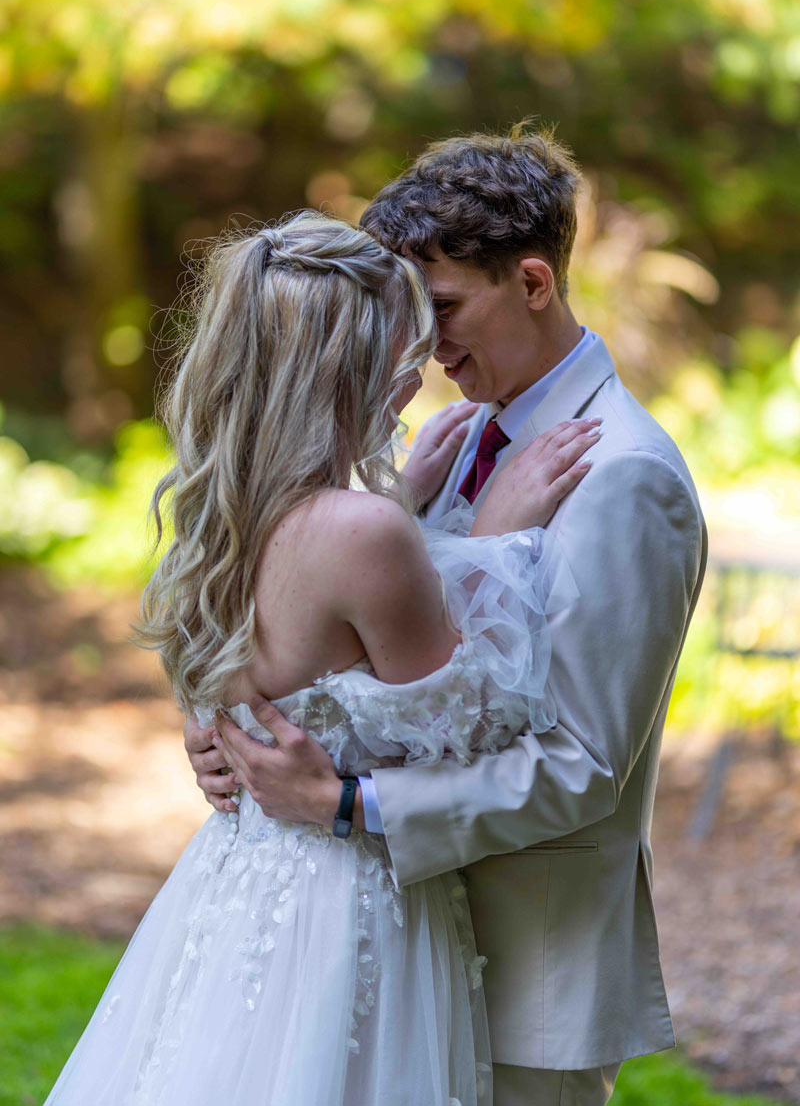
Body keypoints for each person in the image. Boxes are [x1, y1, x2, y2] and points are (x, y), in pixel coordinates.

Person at [188, 127, 708, 1106]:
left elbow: (579, 761)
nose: (423, 344)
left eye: (444, 307)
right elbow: (369, 644)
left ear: (532, 281)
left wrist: (345, 805)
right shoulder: (447, 436)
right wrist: (252, 727)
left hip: (522, 965)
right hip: (393, 941)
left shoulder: (624, 476)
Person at [44, 210, 598, 1106]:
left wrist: (413, 521)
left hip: (233, 883)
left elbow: (313, 656)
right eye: (403, 350)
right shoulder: (366, 531)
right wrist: (496, 544)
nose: (420, 375)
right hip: (344, 903)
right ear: (348, 368)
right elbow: (474, 724)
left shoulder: (221, 511)